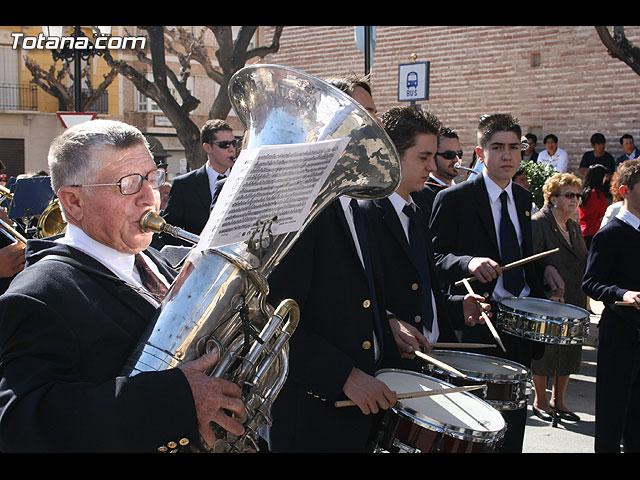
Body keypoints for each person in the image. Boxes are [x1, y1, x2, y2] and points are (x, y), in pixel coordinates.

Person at [0, 120, 246, 452]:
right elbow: (21, 423)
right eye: (127, 184)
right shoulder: (38, 294)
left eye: (152, 177)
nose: (150, 197)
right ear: (73, 202)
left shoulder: (156, 262)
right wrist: (175, 398)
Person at [264, 75, 409, 453]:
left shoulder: (361, 202)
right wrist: (342, 376)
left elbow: (356, 293)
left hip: (363, 411)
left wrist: (386, 323)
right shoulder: (296, 203)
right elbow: (271, 318)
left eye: (375, 114)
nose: (376, 126)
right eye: (363, 115)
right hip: (314, 417)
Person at [429, 113, 564, 452]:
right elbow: (434, 261)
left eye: (515, 148)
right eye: (498, 147)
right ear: (480, 151)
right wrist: (469, 262)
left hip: (519, 327)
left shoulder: (522, 199)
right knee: (476, 427)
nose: (507, 156)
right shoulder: (454, 199)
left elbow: (521, 251)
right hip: (478, 326)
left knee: (514, 425)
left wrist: (545, 270)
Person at [359, 108, 489, 366]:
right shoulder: (365, 214)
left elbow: (424, 290)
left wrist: (456, 307)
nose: (431, 167)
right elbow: (358, 297)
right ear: (392, 155)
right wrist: (389, 322)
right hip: (393, 367)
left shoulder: (417, 211)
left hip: (432, 356)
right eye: (423, 157)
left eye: (432, 157)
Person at [583, 159, 640, 453]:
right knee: (612, 411)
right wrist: (623, 294)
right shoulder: (611, 233)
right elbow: (590, 283)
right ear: (625, 190)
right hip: (619, 331)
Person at [530, 173, 587, 423]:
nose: (575, 200)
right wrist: (546, 284)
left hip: (574, 297)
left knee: (570, 350)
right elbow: (532, 261)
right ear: (552, 199)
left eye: (577, 195)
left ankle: (559, 400)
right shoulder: (539, 223)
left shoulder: (574, 226)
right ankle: (540, 400)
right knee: (546, 352)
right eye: (569, 195)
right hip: (549, 298)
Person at [159, 119, 237, 246]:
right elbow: (167, 234)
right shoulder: (184, 185)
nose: (232, 149)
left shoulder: (242, 179)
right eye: (224, 145)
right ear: (207, 147)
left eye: (234, 143)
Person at [411, 127, 462, 220]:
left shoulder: (462, 190)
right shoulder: (421, 194)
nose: (456, 160)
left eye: (459, 154)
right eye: (449, 155)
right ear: (434, 156)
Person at [578, 163, 609, 249]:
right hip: (594, 230)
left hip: (583, 230)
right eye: (604, 176)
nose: (605, 178)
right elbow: (603, 212)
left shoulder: (585, 192)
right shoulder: (596, 194)